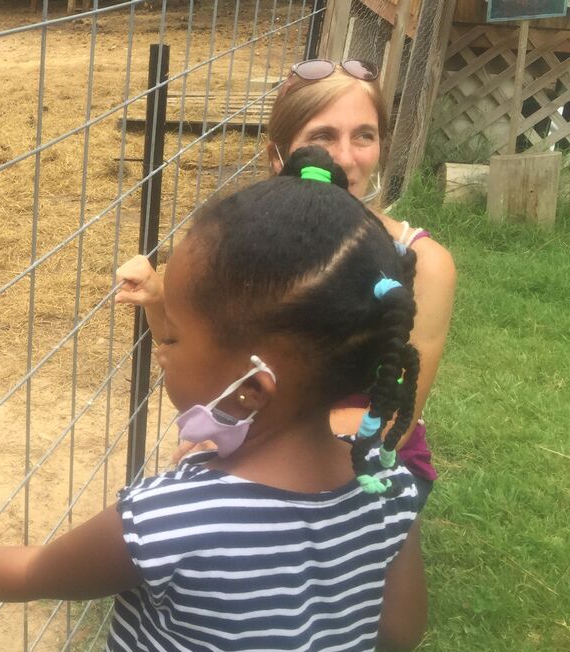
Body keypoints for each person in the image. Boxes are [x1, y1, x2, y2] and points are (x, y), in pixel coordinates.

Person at [0, 147, 427, 652]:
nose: (161, 350)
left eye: (175, 337)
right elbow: (401, 630)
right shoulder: (389, 487)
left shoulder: (174, 519)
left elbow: (35, 572)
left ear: (251, 388)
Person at [124, 59, 455, 488]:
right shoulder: (247, 242)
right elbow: (208, 356)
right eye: (323, 136)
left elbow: (395, 419)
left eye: (364, 136)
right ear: (276, 156)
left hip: (367, 461)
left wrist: (246, 435)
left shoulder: (424, 262)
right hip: (257, 436)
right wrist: (157, 302)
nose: (345, 158)